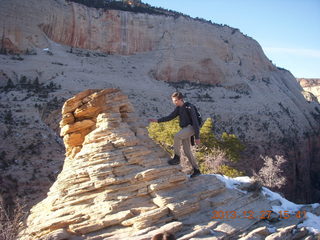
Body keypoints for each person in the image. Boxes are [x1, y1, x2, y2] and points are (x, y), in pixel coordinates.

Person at [149, 92, 201, 178]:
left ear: (181, 99)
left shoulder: (189, 107)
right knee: (187, 151)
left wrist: (197, 137)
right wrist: (158, 120)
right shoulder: (178, 108)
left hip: (191, 128)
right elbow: (170, 117)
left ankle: (177, 158)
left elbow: (195, 122)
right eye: (173, 101)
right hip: (185, 129)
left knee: (177, 136)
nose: (174, 102)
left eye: (176, 100)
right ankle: (197, 170)